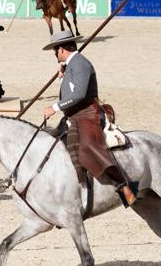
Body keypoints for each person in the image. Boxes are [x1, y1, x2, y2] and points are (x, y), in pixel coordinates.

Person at [42, 30, 137, 207]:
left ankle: (122, 184)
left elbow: (78, 94)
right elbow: (72, 89)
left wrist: (54, 107)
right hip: (75, 113)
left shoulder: (80, 64)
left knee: (86, 145)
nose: (55, 54)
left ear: (61, 49)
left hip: (88, 113)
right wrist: (64, 76)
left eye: (55, 51)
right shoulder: (73, 64)